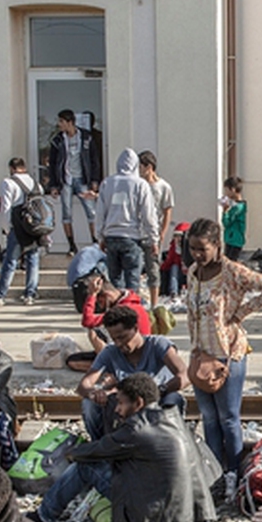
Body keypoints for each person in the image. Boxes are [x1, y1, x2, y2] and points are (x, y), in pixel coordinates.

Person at [35, 374, 209, 522]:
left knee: (85, 466)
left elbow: (96, 451)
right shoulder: (172, 417)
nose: (117, 409)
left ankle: (44, 515)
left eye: (121, 403)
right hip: (192, 518)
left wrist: (70, 452)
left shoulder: (137, 429)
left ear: (138, 403)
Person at [184, 217, 262, 483]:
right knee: (208, 417)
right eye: (192, 248)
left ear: (217, 245)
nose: (196, 254)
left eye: (202, 249)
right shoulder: (193, 271)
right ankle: (215, 472)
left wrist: (239, 313)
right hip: (200, 354)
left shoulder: (232, 272)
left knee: (229, 417)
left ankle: (235, 472)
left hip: (227, 353)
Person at [76, 301, 186, 439]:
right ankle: (100, 444)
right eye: (114, 339)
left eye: (122, 337)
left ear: (135, 328)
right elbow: (83, 385)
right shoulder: (110, 352)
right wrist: (94, 393)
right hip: (127, 407)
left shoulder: (158, 344)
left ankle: (171, 441)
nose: (119, 343)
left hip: (158, 400)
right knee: (89, 403)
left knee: (174, 399)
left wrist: (160, 390)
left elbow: (184, 375)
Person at [94, 149, 156, 294]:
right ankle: (131, 311)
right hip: (131, 237)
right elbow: (148, 215)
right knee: (132, 281)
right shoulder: (140, 184)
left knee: (115, 282)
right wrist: (154, 239)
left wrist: (100, 236)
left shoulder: (107, 183)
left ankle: (116, 312)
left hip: (111, 236)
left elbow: (100, 213)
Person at [43, 108, 102, 253]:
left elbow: (94, 159)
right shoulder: (57, 140)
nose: (59, 124)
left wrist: (95, 179)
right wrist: (54, 185)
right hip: (66, 181)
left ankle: (95, 241)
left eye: (62, 121)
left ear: (70, 122)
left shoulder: (86, 137)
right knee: (66, 213)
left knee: (91, 211)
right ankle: (71, 245)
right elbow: (53, 163)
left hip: (82, 179)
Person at [0, 156, 45, 303]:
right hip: (34, 227)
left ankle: (0, 293)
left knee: (10, 260)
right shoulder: (36, 184)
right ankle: (30, 293)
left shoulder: (8, 183)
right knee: (33, 260)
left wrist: (6, 227)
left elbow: (5, 207)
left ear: (11, 168)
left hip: (17, 226)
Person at [138, 150, 175, 305]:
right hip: (136, 231)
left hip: (152, 233)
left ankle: (154, 303)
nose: (138, 170)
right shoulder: (138, 185)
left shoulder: (163, 186)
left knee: (153, 268)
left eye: (140, 166)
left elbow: (167, 211)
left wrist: (163, 233)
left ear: (149, 167)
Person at [221, 176, 247, 261]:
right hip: (232, 239)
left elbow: (226, 222)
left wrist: (225, 212)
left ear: (232, 189)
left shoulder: (237, 208)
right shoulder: (239, 205)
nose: (225, 193)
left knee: (230, 264)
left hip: (234, 240)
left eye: (226, 190)